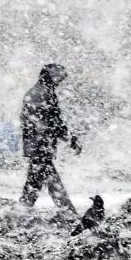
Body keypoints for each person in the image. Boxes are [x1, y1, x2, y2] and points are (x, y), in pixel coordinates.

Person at [19, 63, 80, 215]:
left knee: (36, 182)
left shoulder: (37, 92)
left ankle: (22, 210)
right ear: (51, 76)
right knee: (47, 182)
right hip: (41, 146)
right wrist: (71, 139)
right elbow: (54, 122)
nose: (61, 81)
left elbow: (32, 121)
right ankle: (69, 213)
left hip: (37, 146)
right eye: (59, 77)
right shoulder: (44, 94)